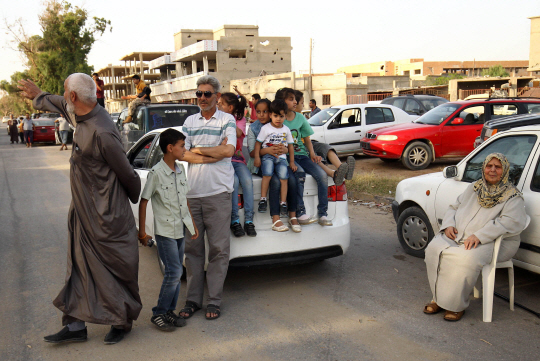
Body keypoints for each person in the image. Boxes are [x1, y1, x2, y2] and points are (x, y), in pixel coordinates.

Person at [19, 73, 142, 344]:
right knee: (78, 268)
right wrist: (39, 95)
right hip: (83, 213)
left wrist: (128, 208)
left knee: (114, 271)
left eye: (66, 92)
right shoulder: (80, 113)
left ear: (74, 96)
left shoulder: (102, 130)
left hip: (107, 216)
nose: (64, 97)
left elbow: (128, 175)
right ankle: (75, 326)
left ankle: (121, 321)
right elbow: (58, 103)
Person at [423, 153, 528, 322]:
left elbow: (511, 222)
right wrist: (449, 224)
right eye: (489, 166)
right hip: (460, 235)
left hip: (494, 242)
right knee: (433, 249)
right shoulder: (474, 188)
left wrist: (480, 235)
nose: (492, 170)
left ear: (505, 170)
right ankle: (438, 299)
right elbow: (454, 207)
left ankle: (455, 305)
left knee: (464, 258)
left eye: (498, 167)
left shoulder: (512, 196)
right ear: (484, 168)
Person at [178, 75, 236, 321]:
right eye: (198, 94)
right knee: (192, 251)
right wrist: (212, 154)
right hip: (192, 195)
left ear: (217, 96)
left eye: (207, 94)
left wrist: (198, 149)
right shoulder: (190, 121)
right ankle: (193, 300)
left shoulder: (227, 119)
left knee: (219, 250)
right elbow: (181, 153)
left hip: (218, 193)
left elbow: (229, 150)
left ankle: (213, 300)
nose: (202, 98)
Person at [138, 128, 200, 331]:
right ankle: (158, 313)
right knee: (173, 272)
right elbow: (144, 201)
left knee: (175, 271)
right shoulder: (156, 173)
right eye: (182, 146)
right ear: (170, 148)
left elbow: (185, 200)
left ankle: (168, 312)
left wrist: (192, 225)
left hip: (180, 228)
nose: (185, 149)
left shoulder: (181, 169)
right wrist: (142, 231)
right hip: (164, 231)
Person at [277, 88, 331, 226]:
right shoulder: (278, 119)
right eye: (291, 99)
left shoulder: (300, 118)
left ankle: (323, 214)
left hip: (302, 155)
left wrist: (312, 154)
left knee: (322, 175)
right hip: (288, 157)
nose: (295, 102)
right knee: (299, 174)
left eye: (295, 99)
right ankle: (300, 212)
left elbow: (307, 139)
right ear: (282, 102)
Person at [247, 99, 301, 232]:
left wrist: (285, 151)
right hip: (261, 162)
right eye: (259, 112)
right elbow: (253, 152)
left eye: (265, 111)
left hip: (280, 159)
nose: (262, 115)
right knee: (275, 181)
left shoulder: (283, 126)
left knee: (292, 179)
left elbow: (289, 146)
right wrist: (267, 151)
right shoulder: (255, 128)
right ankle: (275, 218)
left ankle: (293, 215)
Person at [294, 90, 355, 185]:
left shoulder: (301, 117)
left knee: (325, 147)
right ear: (294, 104)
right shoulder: (287, 119)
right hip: (299, 147)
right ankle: (334, 174)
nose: (303, 105)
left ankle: (342, 168)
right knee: (313, 158)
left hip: (308, 143)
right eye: (302, 103)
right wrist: (312, 153)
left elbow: (307, 138)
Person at [218, 92, 257, 238]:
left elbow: (240, 132)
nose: (218, 106)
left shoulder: (238, 119)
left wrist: (228, 120)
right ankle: (234, 220)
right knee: (233, 181)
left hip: (238, 159)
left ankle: (248, 220)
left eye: (221, 104)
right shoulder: (217, 120)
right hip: (224, 160)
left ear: (230, 107)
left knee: (247, 181)